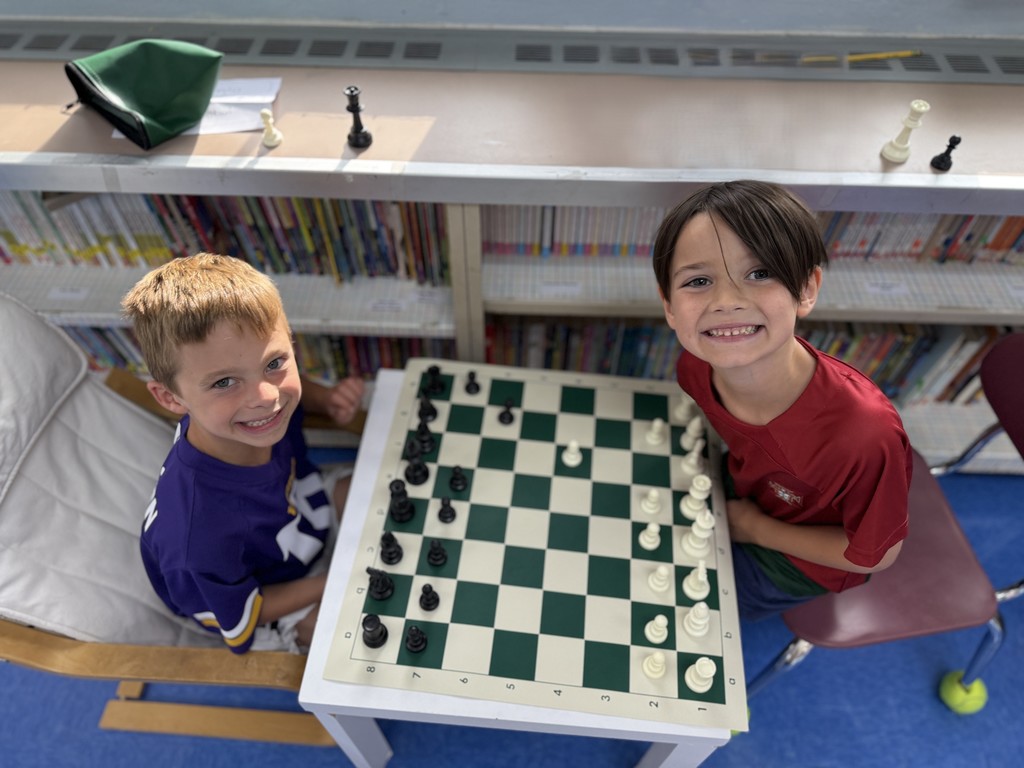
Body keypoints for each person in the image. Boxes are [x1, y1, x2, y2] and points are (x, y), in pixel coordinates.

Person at [652, 180, 912, 621]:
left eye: (760, 273)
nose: (727, 301)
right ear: (670, 307)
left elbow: (875, 556)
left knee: (681, 604)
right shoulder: (695, 370)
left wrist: (755, 528)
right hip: (749, 496)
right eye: (698, 281)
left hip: (802, 561)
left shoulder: (864, 436)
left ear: (807, 288)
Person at [122, 252, 365, 653]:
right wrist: (335, 578)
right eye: (224, 383)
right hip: (257, 596)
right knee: (345, 636)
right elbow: (244, 611)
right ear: (170, 397)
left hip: (304, 511)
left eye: (274, 363)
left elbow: (286, 386)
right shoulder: (196, 535)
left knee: (391, 492)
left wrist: (328, 399)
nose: (266, 397)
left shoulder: (252, 412)